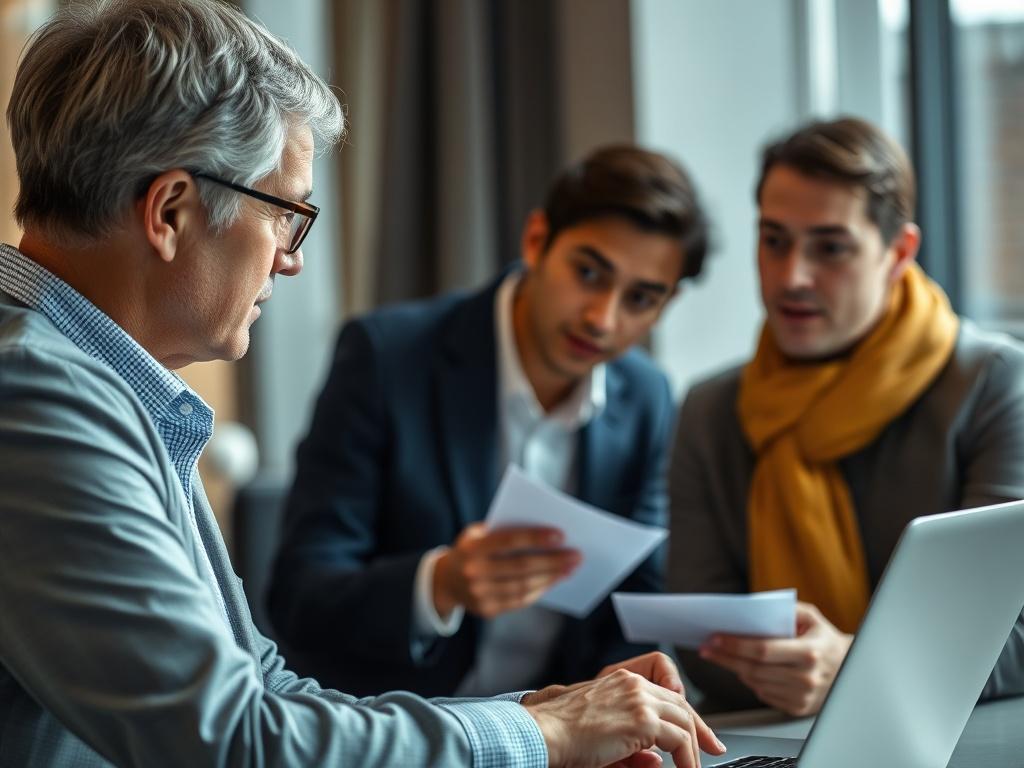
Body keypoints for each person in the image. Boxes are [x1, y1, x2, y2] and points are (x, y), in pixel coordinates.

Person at [0, 1, 729, 766]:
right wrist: (542, 736)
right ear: (172, 210)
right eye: (286, 214)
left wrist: (543, 714)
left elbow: (267, 695)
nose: (291, 259)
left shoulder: (98, 387)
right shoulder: (37, 397)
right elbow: (236, 743)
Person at [268, 144, 710, 698]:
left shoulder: (647, 396)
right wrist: (440, 584)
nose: (604, 318)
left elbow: (635, 605)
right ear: (535, 241)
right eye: (589, 272)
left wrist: (613, 684)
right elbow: (299, 597)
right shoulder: (387, 358)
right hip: (401, 732)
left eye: (642, 298)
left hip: (557, 741)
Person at [669, 116, 1024, 716]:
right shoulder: (712, 411)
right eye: (774, 240)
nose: (792, 277)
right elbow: (698, 642)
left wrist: (855, 667)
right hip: (769, 739)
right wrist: (801, 671)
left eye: (830, 247)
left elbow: (1014, 629)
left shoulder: (993, 385)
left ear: (898, 252)